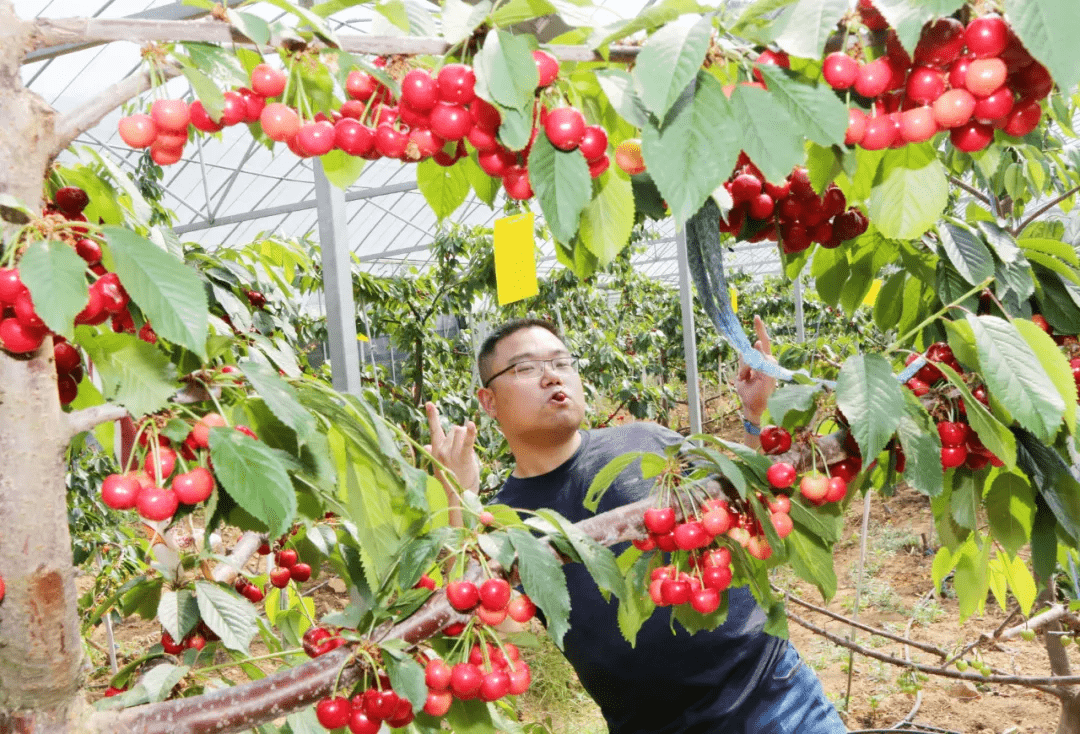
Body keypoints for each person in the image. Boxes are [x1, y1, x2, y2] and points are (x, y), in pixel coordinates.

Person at [426, 317, 847, 734]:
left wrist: (755, 416)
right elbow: (498, 626)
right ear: (489, 401)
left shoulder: (644, 442)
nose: (551, 375)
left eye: (561, 362)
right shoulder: (503, 520)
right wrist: (457, 496)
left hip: (775, 699)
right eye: (525, 368)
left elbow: (748, 497)